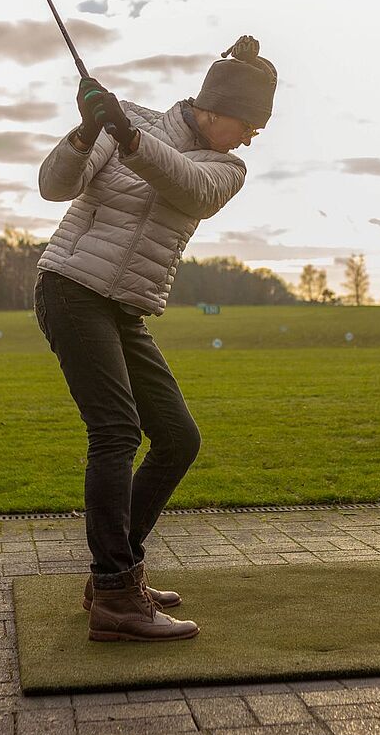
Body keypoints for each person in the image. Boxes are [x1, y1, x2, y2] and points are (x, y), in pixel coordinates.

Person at [33, 35, 277, 641]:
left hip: (124, 308)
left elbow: (189, 187)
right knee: (116, 431)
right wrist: (87, 132)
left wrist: (129, 139)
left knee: (177, 438)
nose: (250, 139)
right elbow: (54, 187)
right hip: (71, 288)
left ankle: (115, 574)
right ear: (217, 109)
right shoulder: (127, 122)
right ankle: (117, 595)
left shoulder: (226, 169)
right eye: (249, 125)